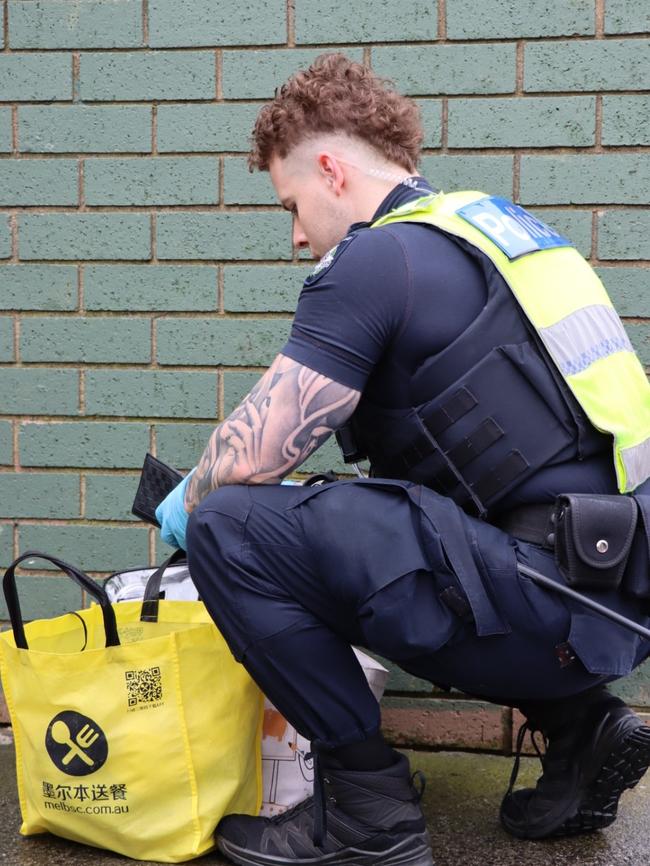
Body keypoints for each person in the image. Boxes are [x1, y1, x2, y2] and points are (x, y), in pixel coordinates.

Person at [155, 53, 650, 866]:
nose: (296, 236)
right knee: (399, 522)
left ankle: (369, 813)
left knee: (232, 528)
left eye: (293, 206)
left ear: (329, 168)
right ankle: (584, 729)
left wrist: (182, 508)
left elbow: (250, 465)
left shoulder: (374, 261)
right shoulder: (501, 234)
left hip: (547, 602)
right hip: (614, 604)